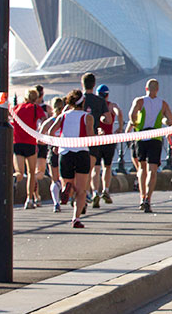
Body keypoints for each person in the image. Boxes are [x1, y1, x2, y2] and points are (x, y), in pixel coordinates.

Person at [46, 90, 95, 228]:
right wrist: (99, 135)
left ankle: (67, 188)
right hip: (81, 152)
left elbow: (50, 132)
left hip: (65, 152)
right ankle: (76, 218)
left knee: (68, 184)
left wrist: (56, 144)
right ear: (83, 102)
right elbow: (90, 137)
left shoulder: (63, 116)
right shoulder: (87, 117)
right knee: (81, 190)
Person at [128, 78, 172, 213]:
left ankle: (142, 197)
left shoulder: (140, 101)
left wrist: (135, 122)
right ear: (158, 89)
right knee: (152, 170)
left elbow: (132, 114)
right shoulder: (163, 104)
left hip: (141, 136)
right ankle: (148, 198)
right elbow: (170, 121)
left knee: (141, 168)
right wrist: (164, 120)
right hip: (155, 137)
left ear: (146, 88)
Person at [11, 87, 45, 210]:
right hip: (30, 143)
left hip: (17, 143)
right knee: (31, 173)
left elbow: (11, 121)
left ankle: (15, 178)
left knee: (19, 172)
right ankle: (29, 199)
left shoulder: (16, 108)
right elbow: (43, 120)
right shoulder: (36, 108)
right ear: (36, 98)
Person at [80, 73, 111, 206]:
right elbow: (109, 120)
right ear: (94, 85)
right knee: (90, 168)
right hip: (93, 139)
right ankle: (86, 193)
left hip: (78, 138)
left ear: (82, 84)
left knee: (79, 169)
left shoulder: (78, 99)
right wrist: (101, 119)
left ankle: (80, 194)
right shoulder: (100, 101)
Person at [91, 84, 122, 208]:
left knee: (96, 168)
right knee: (107, 167)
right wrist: (119, 127)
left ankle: (94, 193)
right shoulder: (111, 105)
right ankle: (106, 190)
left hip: (96, 139)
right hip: (109, 139)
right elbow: (118, 112)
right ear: (107, 95)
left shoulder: (95, 105)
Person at [39, 97, 65, 212]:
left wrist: (49, 141)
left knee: (54, 179)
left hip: (52, 150)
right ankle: (70, 195)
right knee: (67, 178)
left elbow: (39, 139)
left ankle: (56, 203)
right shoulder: (64, 120)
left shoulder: (49, 122)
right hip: (65, 150)